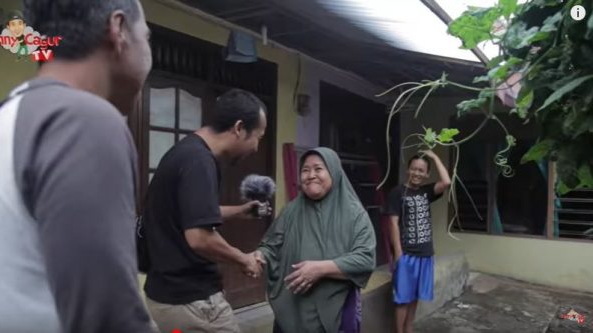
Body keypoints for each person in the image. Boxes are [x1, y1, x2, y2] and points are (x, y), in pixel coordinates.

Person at [0, 1, 153, 332]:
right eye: (147, 37)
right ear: (118, 30)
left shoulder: (3, 121)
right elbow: (108, 317)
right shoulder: (81, 119)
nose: (148, 52)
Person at [143, 89, 269, 333]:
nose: (255, 147)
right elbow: (199, 238)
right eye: (258, 137)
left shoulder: (186, 153)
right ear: (239, 128)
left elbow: (191, 213)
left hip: (167, 297)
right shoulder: (199, 162)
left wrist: (239, 211)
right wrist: (243, 259)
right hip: (192, 302)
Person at [255, 147, 377, 333]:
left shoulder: (354, 214)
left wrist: (320, 269)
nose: (311, 175)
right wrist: (259, 255)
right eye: (305, 170)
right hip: (292, 311)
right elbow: (271, 247)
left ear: (334, 172)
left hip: (335, 313)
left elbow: (366, 259)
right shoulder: (291, 211)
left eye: (318, 169)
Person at [385, 150, 451, 333]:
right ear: (408, 170)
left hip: (425, 253)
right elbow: (393, 223)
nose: (417, 173)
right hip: (406, 253)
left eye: (421, 170)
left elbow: (446, 181)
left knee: (415, 296)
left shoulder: (426, 191)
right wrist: (398, 253)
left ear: (427, 174)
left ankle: (409, 329)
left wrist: (435, 156)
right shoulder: (397, 192)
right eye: (414, 169)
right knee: (402, 299)